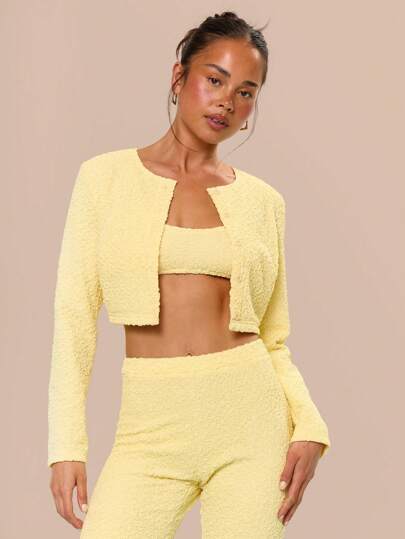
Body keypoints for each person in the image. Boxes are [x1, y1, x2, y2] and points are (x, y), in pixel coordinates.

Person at [48, 11, 331, 538]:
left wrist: (310, 423)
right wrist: (66, 446)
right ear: (179, 77)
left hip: (250, 420)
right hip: (149, 426)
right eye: (215, 80)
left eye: (246, 92)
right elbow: (74, 319)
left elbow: (273, 337)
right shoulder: (103, 180)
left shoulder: (263, 203)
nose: (227, 101)